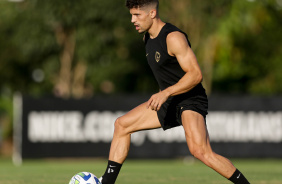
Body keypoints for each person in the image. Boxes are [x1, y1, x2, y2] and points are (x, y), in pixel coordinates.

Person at [99, 0, 250, 183]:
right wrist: (164, 94)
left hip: (190, 99)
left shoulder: (173, 37)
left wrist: (165, 93)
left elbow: (195, 74)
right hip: (169, 100)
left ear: (152, 13)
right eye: (131, 15)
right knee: (121, 125)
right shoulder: (147, 38)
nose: (132, 20)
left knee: (200, 152)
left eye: (137, 15)